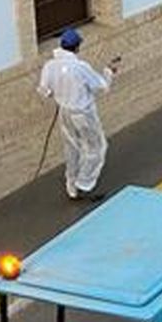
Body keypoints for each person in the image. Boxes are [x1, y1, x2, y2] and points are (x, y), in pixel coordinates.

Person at [36, 27, 116, 201]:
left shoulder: (50, 66)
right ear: (77, 47)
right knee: (96, 147)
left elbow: (43, 89)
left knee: (72, 148)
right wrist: (109, 72)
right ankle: (84, 184)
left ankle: (71, 186)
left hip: (64, 113)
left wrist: (57, 95)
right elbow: (102, 86)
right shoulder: (80, 67)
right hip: (83, 114)